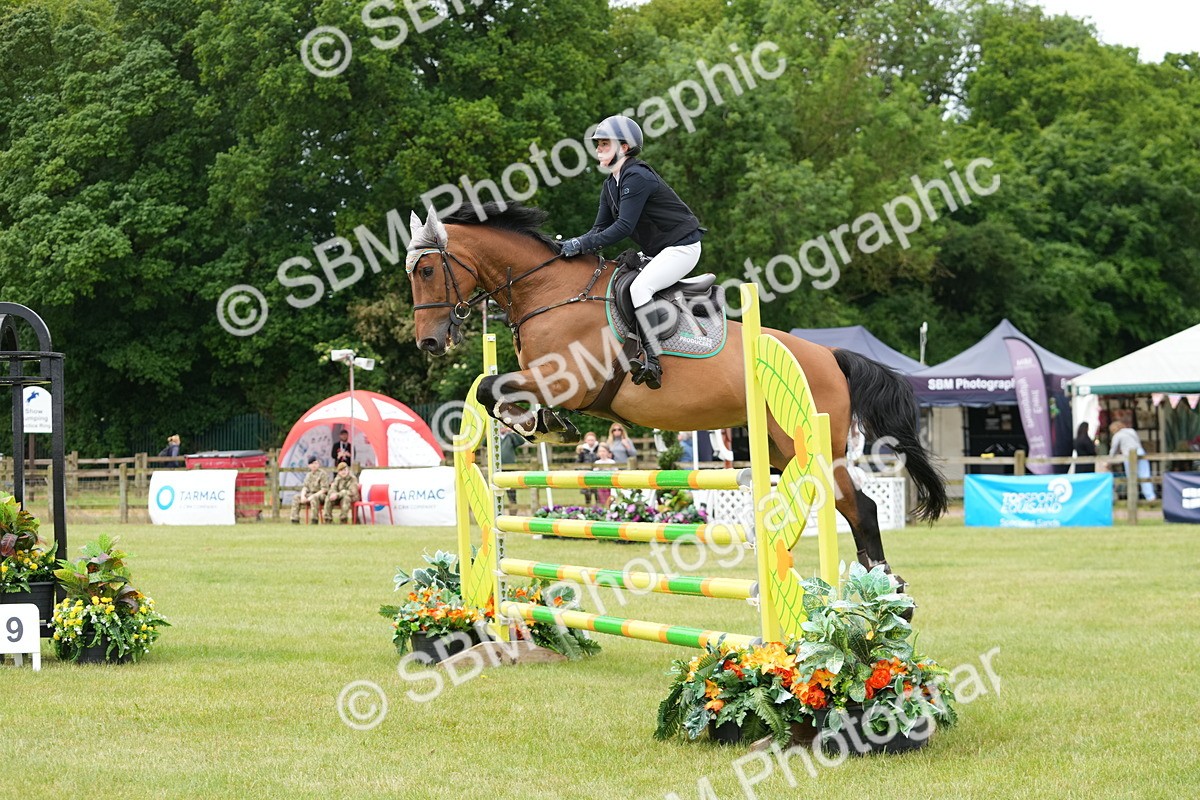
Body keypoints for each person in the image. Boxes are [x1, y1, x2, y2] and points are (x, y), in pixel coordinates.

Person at [559, 115, 705, 390]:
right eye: (598, 144)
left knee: (640, 289)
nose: (599, 149)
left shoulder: (636, 176)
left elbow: (623, 227)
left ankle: (652, 360)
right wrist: (570, 244)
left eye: (605, 143)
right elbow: (599, 228)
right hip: (659, 250)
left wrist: (581, 245)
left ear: (624, 147)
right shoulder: (610, 185)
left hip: (682, 247)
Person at [1109, 420, 1156, 501]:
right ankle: (1151, 497)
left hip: (1129, 455)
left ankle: (1133, 498)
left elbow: (1113, 450)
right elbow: (1138, 442)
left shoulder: (1117, 435)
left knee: (1131, 476)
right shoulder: (1132, 431)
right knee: (1145, 475)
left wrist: (1109, 459)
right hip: (1140, 452)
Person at [290, 456, 331, 524]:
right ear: (309, 465)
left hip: (320, 495)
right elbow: (305, 487)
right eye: (312, 464)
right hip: (310, 494)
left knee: (314, 498)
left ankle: (314, 519)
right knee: (296, 497)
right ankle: (295, 519)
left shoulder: (322, 474)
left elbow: (324, 489)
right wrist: (303, 496)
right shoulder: (308, 475)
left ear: (318, 464)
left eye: (315, 463)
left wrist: (311, 497)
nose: (314, 465)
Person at [575, 431, 600, 505]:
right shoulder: (582, 450)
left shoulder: (599, 448)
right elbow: (578, 463)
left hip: (597, 473)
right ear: (586, 440)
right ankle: (588, 504)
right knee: (587, 492)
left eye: (592, 440)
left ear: (595, 440)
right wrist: (581, 470)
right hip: (586, 473)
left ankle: (598, 505)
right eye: (589, 440)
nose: (590, 441)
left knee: (597, 491)